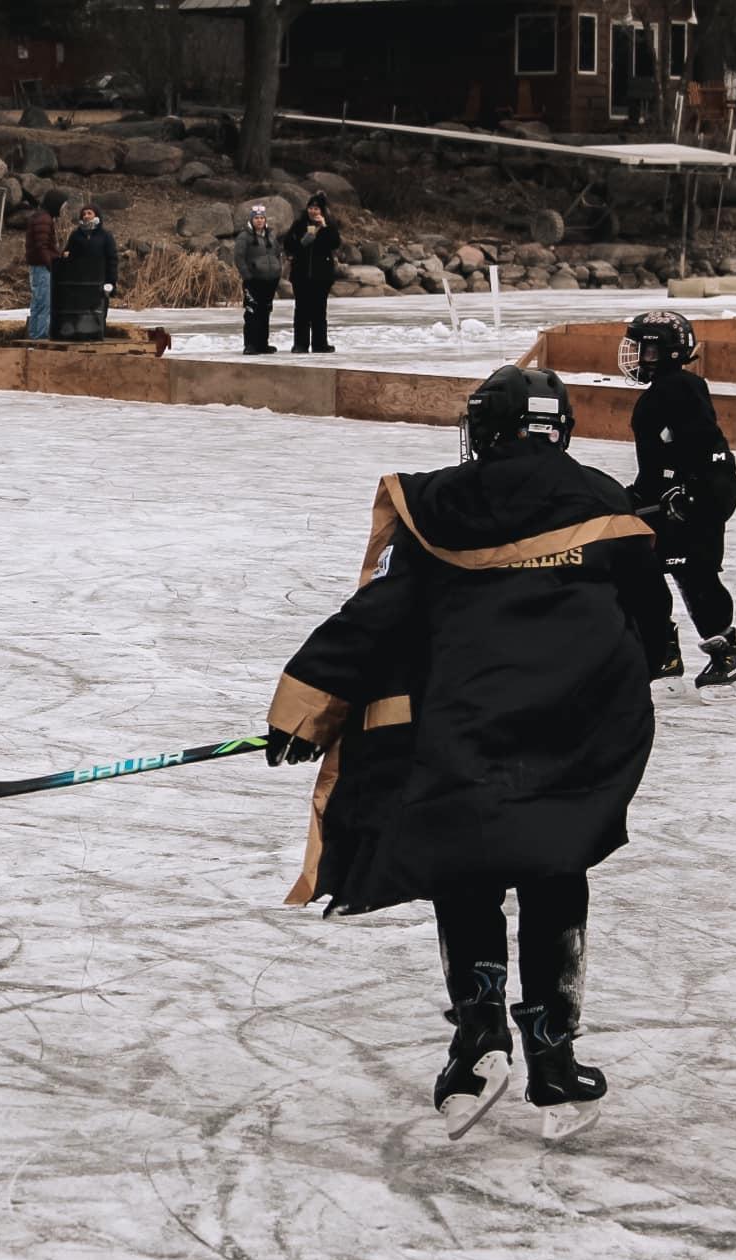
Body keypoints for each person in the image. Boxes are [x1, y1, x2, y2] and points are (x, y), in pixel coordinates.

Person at [265, 365, 670, 1143]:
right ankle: (553, 1052)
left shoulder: (440, 509)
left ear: (483, 429)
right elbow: (650, 621)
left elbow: (377, 615)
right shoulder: (605, 503)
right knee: (557, 867)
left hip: (469, 723)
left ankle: (479, 1035)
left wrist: (307, 707)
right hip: (578, 725)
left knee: (470, 865)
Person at [619, 310, 736, 700]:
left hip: (692, 501)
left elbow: (703, 449)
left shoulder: (679, 389)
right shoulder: (668, 390)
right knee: (652, 572)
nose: (636, 355)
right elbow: (662, 457)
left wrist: (690, 494)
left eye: (644, 348)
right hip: (677, 497)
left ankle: (718, 662)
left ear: (664, 352)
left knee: (692, 575)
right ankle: (668, 658)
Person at [282, 191, 340, 354]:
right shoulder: (299, 224)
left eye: (316, 208)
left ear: (322, 211)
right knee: (301, 311)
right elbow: (289, 244)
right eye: (311, 208)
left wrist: (325, 227)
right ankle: (300, 344)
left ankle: (320, 344)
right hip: (301, 275)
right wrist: (304, 240)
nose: (313, 211)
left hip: (321, 276)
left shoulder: (329, 224)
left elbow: (335, 243)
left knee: (319, 311)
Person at [233, 203, 284, 355]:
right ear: (251, 220)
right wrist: (248, 277)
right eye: (256, 218)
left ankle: (263, 344)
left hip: (270, 280)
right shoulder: (244, 236)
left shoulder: (271, 235)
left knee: (265, 312)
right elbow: (239, 258)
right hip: (253, 280)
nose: (260, 221)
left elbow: (277, 254)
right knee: (252, 312)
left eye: (262, 218)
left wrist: (278, 271)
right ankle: (250, 345)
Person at [62, 203, 118, 315]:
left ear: (96, 215)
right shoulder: (76, 235)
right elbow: (67, 254)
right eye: (83, 214)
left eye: (89, 213)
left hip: (99, 281)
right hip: (80, 282)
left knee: (98, 314)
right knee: (79, 314)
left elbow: (112, 259)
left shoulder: (105, 236)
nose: (86, 216)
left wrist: (111, 281)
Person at [26, 193, 64, 340]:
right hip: (43, 267)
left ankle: (34, 334)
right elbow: (42, 245)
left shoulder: (39, 217)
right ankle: (40, 335)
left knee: (38, 302)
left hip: (38, 266)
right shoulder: (44, 219)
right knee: (44, 303)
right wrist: (50, 263)